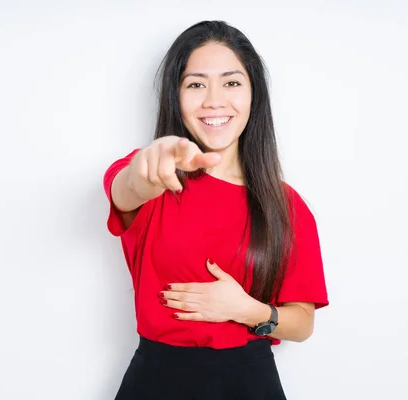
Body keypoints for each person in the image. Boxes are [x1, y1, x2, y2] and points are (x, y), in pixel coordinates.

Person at [103, 20, 329, 400]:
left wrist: (246, 309)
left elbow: (302, 323)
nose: (213, 100)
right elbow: (126, 190)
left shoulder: (286, 205)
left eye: (231, 82)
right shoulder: (150, 174)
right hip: (157, 381)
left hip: (249, 382)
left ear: (253, 94)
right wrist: (150, 164)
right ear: (175, 97)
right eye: (195, 84)